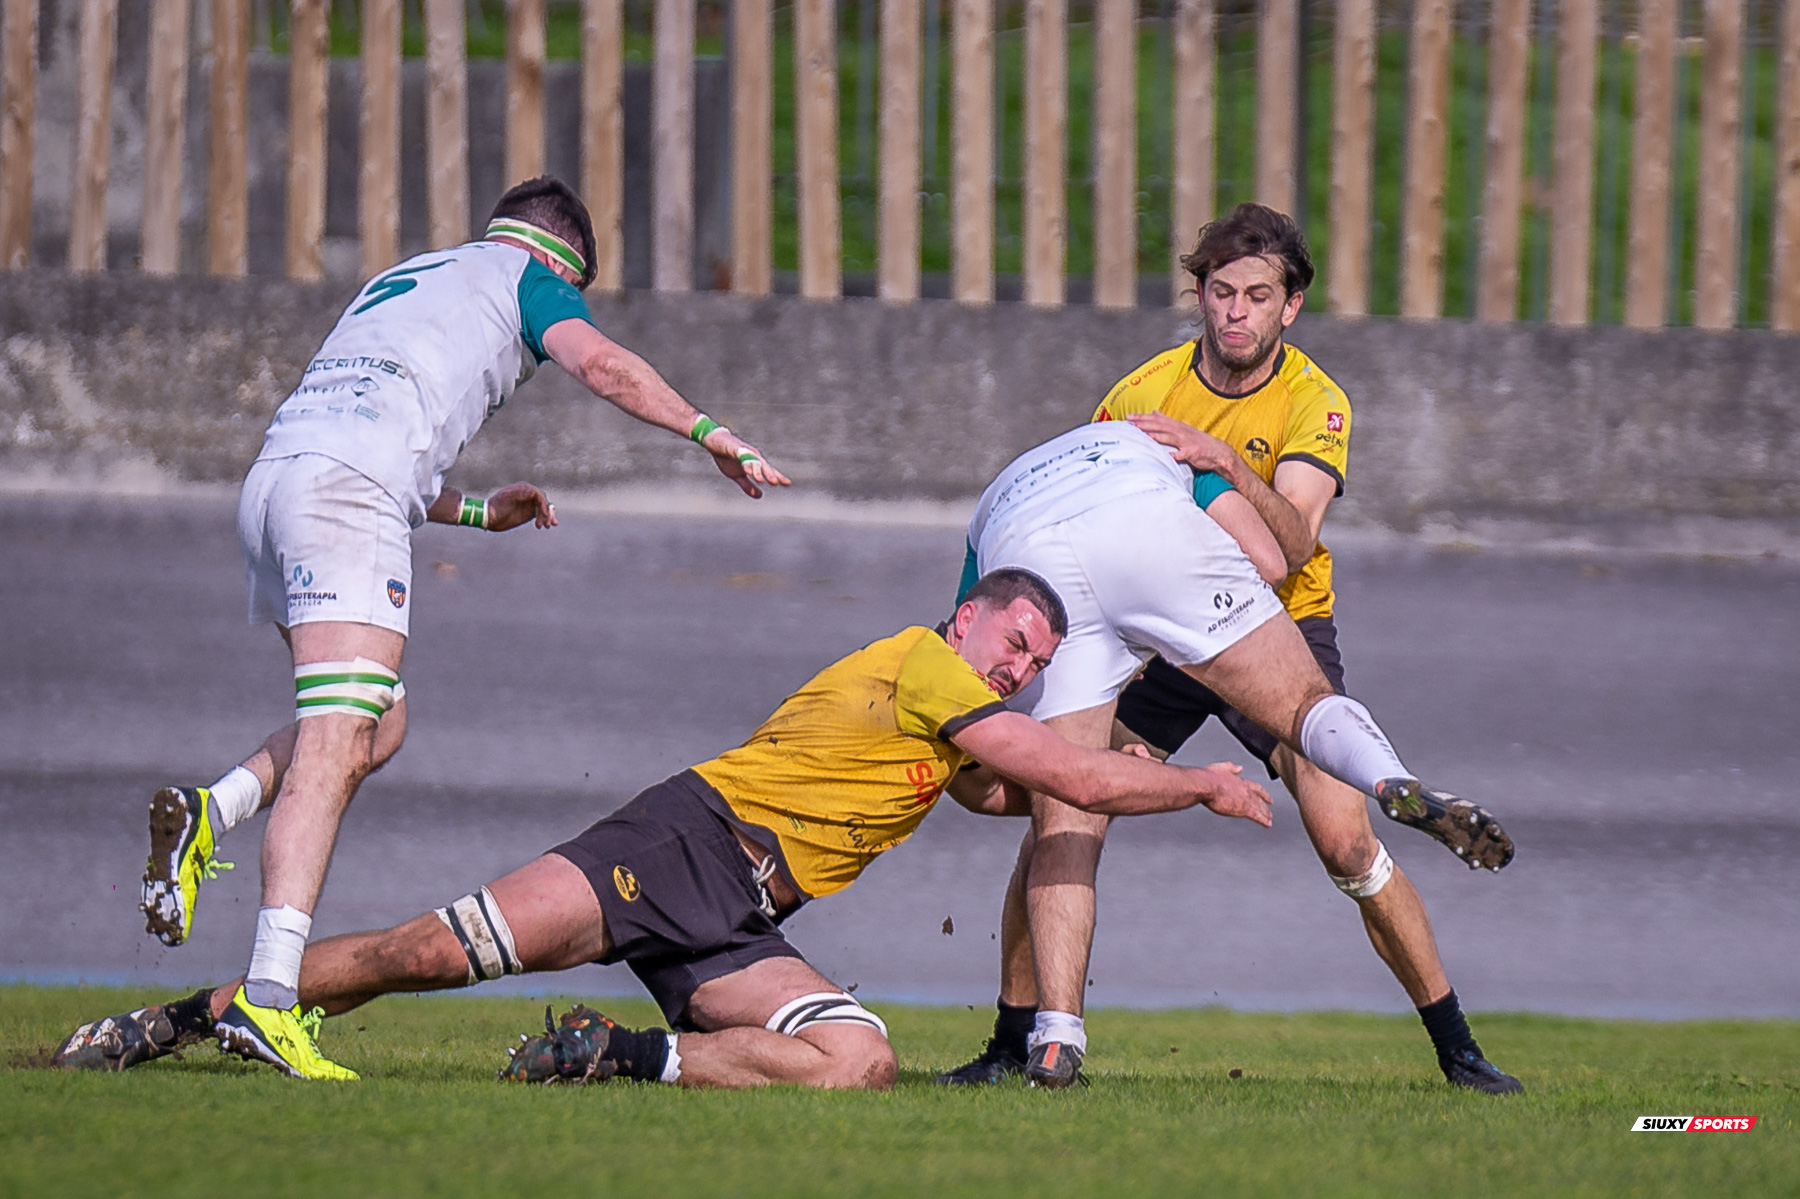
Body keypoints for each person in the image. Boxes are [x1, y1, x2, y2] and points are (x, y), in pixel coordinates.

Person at [60, 571, 1273, 1086]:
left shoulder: (952, 720)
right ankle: (168, 1022)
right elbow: (1062, 776)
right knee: (422, 954)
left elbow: (1024, 787)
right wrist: (1202, 780)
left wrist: (1123, 758)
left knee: (862, 1056)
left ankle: (615, 1056)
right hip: (682, 841)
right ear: (966, 618)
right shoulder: (925, 664)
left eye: (1039, 662)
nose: (1020, 668)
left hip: (740, 914)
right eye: (1014, 643)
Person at [135, 176, 791, 1081]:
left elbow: (374, 435)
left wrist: (481, 512)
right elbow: (604, 364)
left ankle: (214, 811)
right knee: (337, 739)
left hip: (277, 484)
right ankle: (270, 998)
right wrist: (708, 430)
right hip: (344, 496)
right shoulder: (530, 277)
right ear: (559, 257)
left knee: (378, 716)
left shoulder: (408, 278)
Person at [936, 307, 1521, 1094]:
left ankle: (1049, 1038)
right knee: (1318, 793)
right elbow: (1262, 555)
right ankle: (1388, 783)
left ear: (1288, 304)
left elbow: (1292, 552)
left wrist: (1005, 767)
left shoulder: (1308, 397)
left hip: (1182, 604)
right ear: (1202, 295)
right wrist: (1214, 480)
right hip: (1192, 604)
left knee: (1065, 804)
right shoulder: (1153, 407)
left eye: (1252, 292)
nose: (1233, 309)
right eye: (1219, 290)